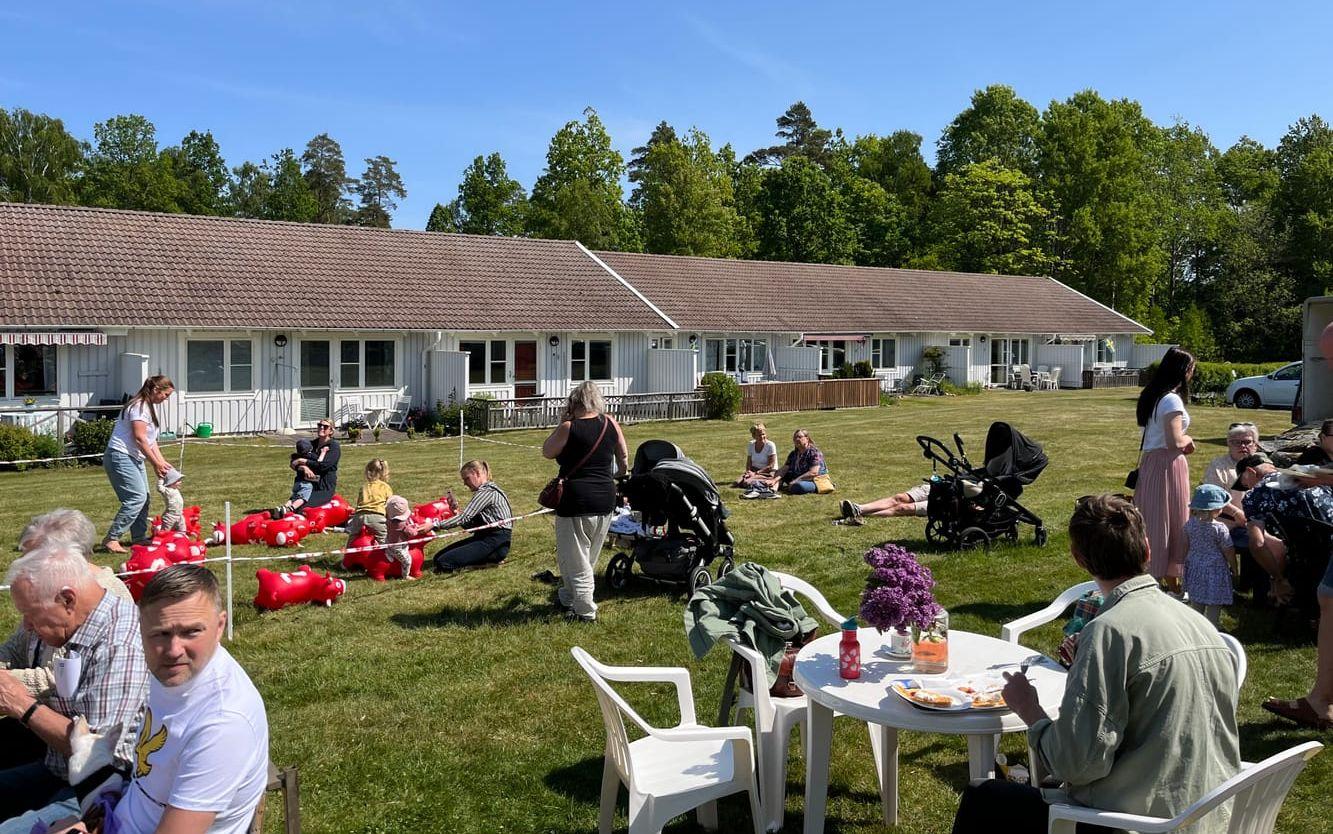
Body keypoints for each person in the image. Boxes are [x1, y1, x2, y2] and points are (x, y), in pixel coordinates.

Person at [952, 494, 1240, 834]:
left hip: (1143, 823)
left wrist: (1029, 709)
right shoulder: (1199, 624)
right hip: (1211, 811)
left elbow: (1077, 764)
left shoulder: (1108, 632)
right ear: (1146, 549)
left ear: (1079, 559)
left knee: (983, 796)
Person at [97, 564, 269, 834]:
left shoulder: (223, 723)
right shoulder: (174, 673)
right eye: (161, 634)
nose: (174, 650)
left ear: (220, 625)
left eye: (191, 632)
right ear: (141, 630)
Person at [0, 542, 150, 833]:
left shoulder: (119, 644)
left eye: (31, 615)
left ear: (68, 599)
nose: (26, 626)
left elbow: (101, 757)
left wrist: (22, 705)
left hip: (100, 791)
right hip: (58, 770)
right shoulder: (82, 626)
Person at [541, 381, 628, 622]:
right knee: (583, 557)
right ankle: (569, 597)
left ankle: (585, 612)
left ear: (573, 403)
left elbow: (548, 451)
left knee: (577, 559)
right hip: (605, 497)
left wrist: (562, 422)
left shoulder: (569, 427)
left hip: (576, 499)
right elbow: (623, 458)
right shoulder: (610, 422)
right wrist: (617, 474)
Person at [1133, 346, 1195, 590]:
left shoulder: (1155, 395)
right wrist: (1189, 442)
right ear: (1184, 371)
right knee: (1167, 520)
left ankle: (1168, 577)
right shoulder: (1171, 399)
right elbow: (1175, 441)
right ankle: (1158, 576)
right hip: (1167, 464)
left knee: (1157, 518)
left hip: (1154, 463)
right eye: (1191, 369)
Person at [102, 375, 177, 554]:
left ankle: (139, 538)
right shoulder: (139, 407)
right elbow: (139, 438)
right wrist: (154, 464)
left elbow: (151, 442)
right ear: (156, 390)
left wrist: (162, 463)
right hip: (120, 456)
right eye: (165, 395)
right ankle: (112, 538)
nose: (166, 399)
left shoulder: (149, 407)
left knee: (145, 498)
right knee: (136, 498)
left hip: (133, 457)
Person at [432, 460, 515, 573]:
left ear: (477, 473)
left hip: (495, 542)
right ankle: (483, 561)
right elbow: (470, 526)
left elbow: (464, 518)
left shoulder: (487, 492)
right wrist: (456, 512)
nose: (465, 483)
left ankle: (486, 562)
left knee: (444, 563)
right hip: (483, 537)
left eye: (466, 478)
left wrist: (434, 525)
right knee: (437, 558)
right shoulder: (484, 491)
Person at [1183, 484, 1238, 628]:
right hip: (1215, 569)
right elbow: (1229, 550)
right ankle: (1213, 627)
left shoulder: (1189, 525)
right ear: (1216, 509)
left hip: (1195, 566)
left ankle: (1197, 629)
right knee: (1214, 601)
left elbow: (1185, 545)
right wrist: (1235, 568)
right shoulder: (1220, 528)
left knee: (1197, 601)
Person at [283, 420, 340, 514]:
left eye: (325, 427)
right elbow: (293, 463)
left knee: (302, 509)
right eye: (320, 425)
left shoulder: (333, 447)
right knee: (295, 504)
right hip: (308, 485)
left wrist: (304, 461)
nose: (321, 427)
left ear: (331, 431)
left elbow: (323, 466)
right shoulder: (310, 445)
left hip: (323, 487)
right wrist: (303, 467)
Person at [346, 458, 392, 546]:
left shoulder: (363, 487)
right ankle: (387, 558)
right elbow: (389, 504)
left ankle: (347, 557)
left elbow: (359, 503)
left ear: (368, 472)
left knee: (352, 540)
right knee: (383, 539)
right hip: (377, 516)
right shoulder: (385, 487)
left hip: (359, 516)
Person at [271, 438, 320, 518]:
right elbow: (319, 461)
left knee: (294, 497)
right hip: (306, 484)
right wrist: (323, 452)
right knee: (303, 498)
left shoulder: (295, 457)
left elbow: (292, 463)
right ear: (310, 448)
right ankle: (290, 509)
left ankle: (282, 508)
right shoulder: (311, 456)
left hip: (297, 483)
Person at [384, 496, 429, 581]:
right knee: (407, 561)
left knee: (388, 543)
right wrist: (415, 528)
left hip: (389, 541)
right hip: (399, 547)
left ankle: (388, 552)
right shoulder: (402, 525)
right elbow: (412, 533)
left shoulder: (388, 520)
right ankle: (405, 575)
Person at [734, 423, 778, 488]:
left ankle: (769, 482)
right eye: (759, 435)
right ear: (754, 436)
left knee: (746, 483)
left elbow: (770, 466)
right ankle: (753, 480)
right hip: (754, 470)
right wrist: (748, 472)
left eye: (763, 434)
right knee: (736, 483)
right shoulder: (751, 444)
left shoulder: (770, 445)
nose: (762, 436)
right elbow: (749, 462)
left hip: (767, 472)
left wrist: (755, 473)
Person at [157, 469, 187, 533]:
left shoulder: (175, 489)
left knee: (182, 530)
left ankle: (181, 539)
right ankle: (161, 540)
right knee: (165, 532)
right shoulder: (167, 490)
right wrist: (161, 479)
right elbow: (159, 488)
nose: (180, 482)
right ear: (171, 482)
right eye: (178, 480)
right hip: (170, 516)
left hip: (179, 514)